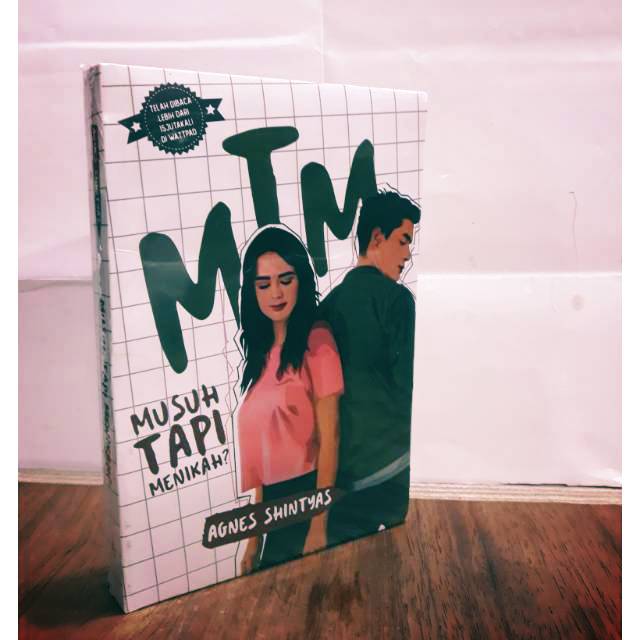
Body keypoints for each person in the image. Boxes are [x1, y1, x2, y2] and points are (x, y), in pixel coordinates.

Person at [236, 225, 344, 573]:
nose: (276, 293)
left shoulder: (318, 341)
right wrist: (254, 540)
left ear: (301, 279)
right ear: (252, 291)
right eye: (264, 284)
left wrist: (319, 524)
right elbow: (265, 460)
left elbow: (331, 438)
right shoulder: (261, 356)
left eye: (286, 279)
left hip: (307, 501)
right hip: (271, 513)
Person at [318, 189, 421, 546]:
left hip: (347, 484)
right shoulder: (397, 300)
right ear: (377, 238)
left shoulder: (327, 308)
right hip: (396, 471)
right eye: (403, 241)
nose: (408, 255)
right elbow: (411, 389)